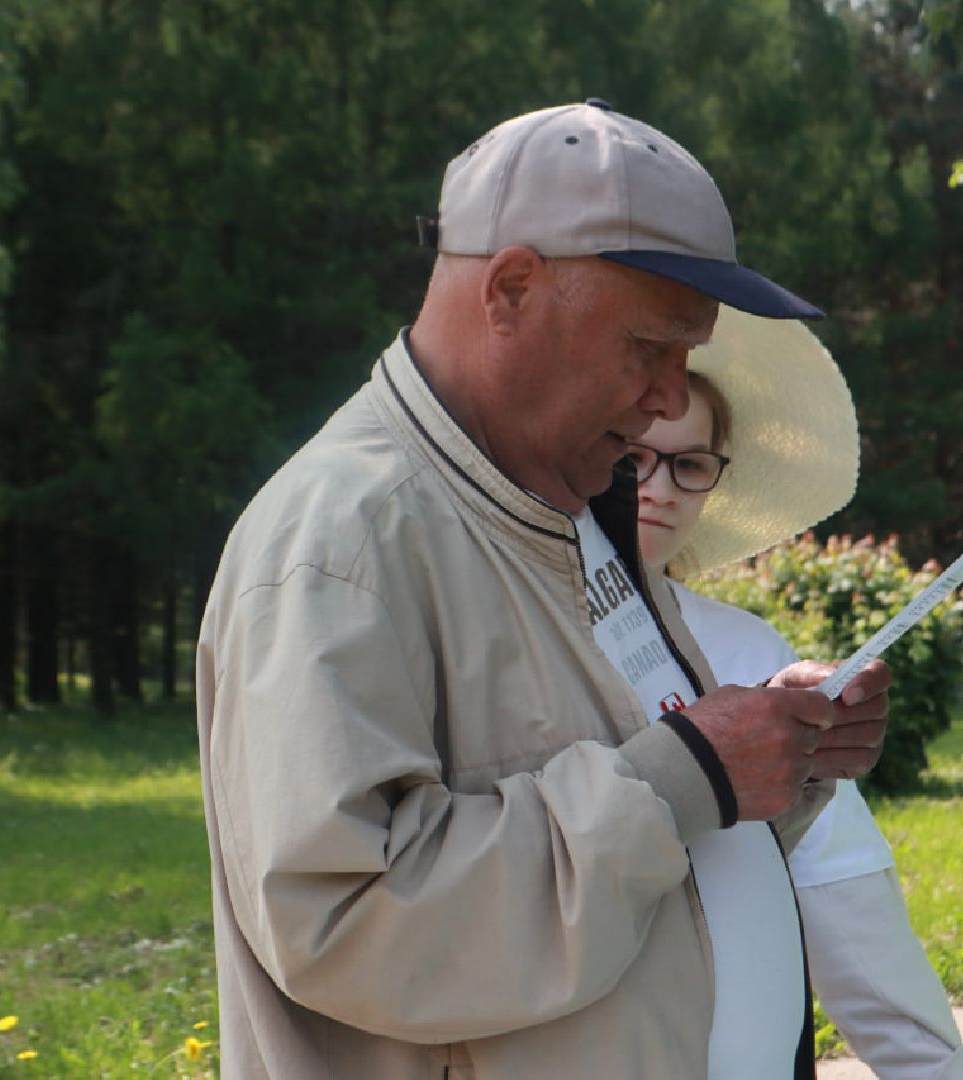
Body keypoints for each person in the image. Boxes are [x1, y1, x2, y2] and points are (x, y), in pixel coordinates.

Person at [195, 100, 892, 1079]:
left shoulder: (562, 514)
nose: (665, 397)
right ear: (512, 287)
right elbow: (346, 921)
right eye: (648, 347)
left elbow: (651, 833)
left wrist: (776, 763)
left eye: (686, 356)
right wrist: (690, 769)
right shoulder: (345, 535)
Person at [629, 307, 963, 1079]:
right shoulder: (504, 639)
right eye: (633, 458)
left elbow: (845, 904)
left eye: (689, 464)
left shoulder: (750, 651)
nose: (659, 488)